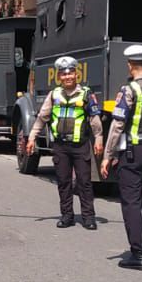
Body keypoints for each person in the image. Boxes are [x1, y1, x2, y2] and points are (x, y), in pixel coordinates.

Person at [101, 43, 142, 270]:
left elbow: (117, 125)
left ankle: (137, 254)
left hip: (134, 151)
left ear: (130, 66)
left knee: (131, 202)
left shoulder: (130, 90)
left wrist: (108, 155)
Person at [21, 56, 104, 230]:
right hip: (61, 146)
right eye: (64, 74)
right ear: (59, 77)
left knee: (84, 182)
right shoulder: (54, 95)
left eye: (70, 73)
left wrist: (98, 139)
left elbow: (94, 119)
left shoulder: (86, 94)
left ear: (76, 74)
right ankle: (67, 216)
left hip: (80, 145)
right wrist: (32, 138)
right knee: (63, 182)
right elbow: (42, 118)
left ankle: (88, 217)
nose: (68, 77)